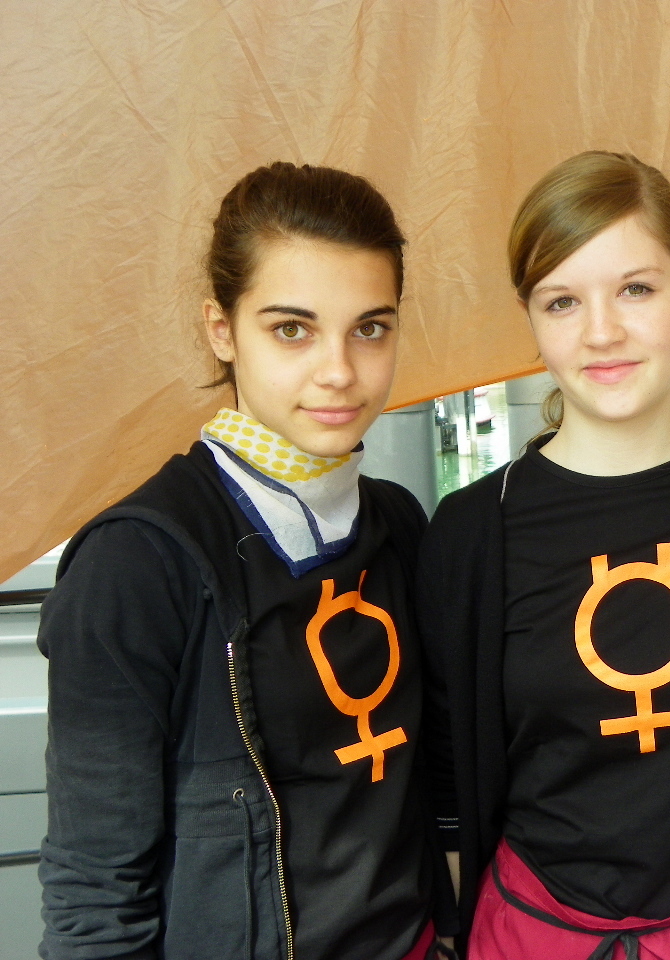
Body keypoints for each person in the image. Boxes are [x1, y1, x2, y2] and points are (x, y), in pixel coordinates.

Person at [39, 162, 456, 960]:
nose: (339, 370)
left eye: (370, 328)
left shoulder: (398, 522)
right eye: (292, 329)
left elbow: (434, 785)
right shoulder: (135, 563)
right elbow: (95, 895)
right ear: (222, 329)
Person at [421, 151, 670, 959]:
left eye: (636, 289)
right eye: (562, 301)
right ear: (531, 317)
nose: (601, 332)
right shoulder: (471, 533)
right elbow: (447, 783)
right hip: (534, 936)